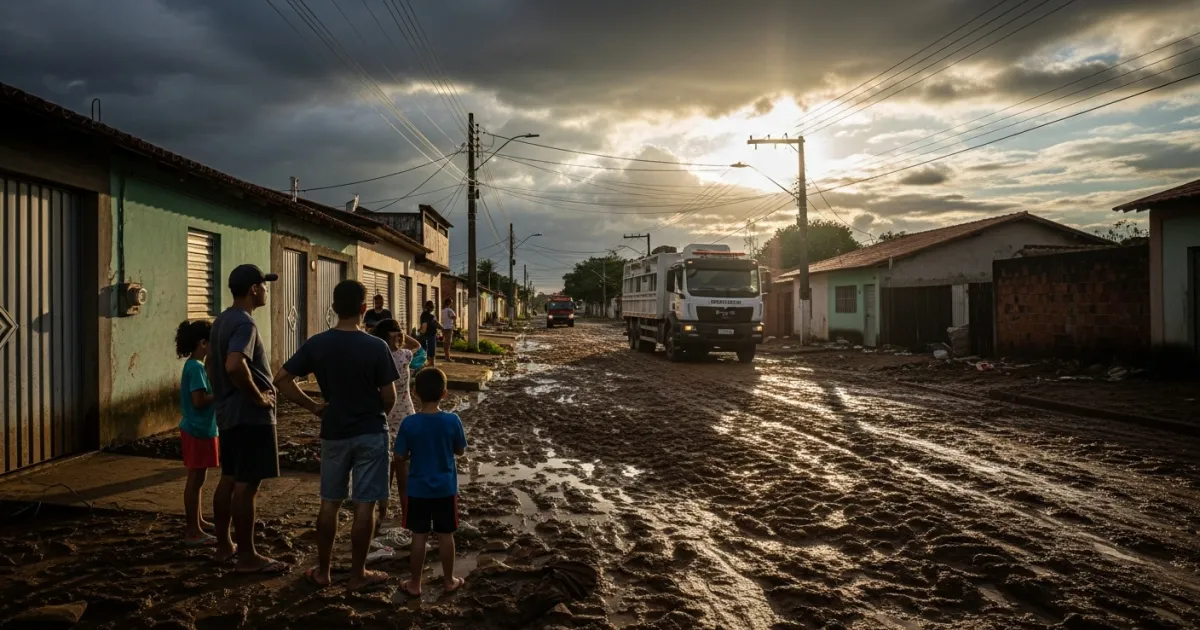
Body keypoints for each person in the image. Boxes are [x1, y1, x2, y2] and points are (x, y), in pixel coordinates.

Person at [275, 280, 400, 592]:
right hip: (370, 431)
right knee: (365, 505)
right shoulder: (376, 346)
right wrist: (376, 413)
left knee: (329, 502)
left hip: (333, 432)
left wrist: (314, 407)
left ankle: (323, 571)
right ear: (363, 309)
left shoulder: (318, 344)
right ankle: (358, 574)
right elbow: (390, 397)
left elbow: (282, 379)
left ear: (333, 308)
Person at [208, 264, 284, 574]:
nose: (266, 290)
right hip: (249, 416)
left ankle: (225, 545)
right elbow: (234, 365)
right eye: (264, 286)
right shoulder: (245, 324)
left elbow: (214, 367)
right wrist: (259, 398)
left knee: (229, 478)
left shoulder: (221, 321)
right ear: (254, 289)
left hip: (228, 413)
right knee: (246, 486)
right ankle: (248, 556)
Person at [395, 368, 467, 597]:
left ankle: (415, 583)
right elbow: (460, 451)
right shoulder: (452, 420)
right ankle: (448, 580)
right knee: (446, 536)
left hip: (418, 490)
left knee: (419, 536)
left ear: (415, 392)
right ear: (444, 393)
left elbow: (399, 456)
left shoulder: (409, 423)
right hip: (445, 489)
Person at [369, 318, 422, 525]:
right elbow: (416, 345)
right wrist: (402, 333)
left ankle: (382, 513)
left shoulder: (376, 359)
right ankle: (407, 514)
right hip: (406, 417)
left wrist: (379, 333)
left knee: (385, 470)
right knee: (404, 471)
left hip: (383, 415)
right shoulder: (404, 356)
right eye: (398, 335)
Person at [175, 319, 217, 546]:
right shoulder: (196, 368)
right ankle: (193, 530)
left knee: (198, 479)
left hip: (199, 428)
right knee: (195, 480)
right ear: (203, 343)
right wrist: (221, 394)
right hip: (198, 429)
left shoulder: (194, 366)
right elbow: (199, 400)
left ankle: (198, 521)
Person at [418, 301, 439, 368]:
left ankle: (427, 363)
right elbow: (426, 324)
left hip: (426, 334)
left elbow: (423, 324)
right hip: (430, 334)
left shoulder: (423, 315)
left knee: (425, 349)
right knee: (431, 349)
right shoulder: (431, 316)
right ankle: (431, 363)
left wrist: (421, 330)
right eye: (432, 307)